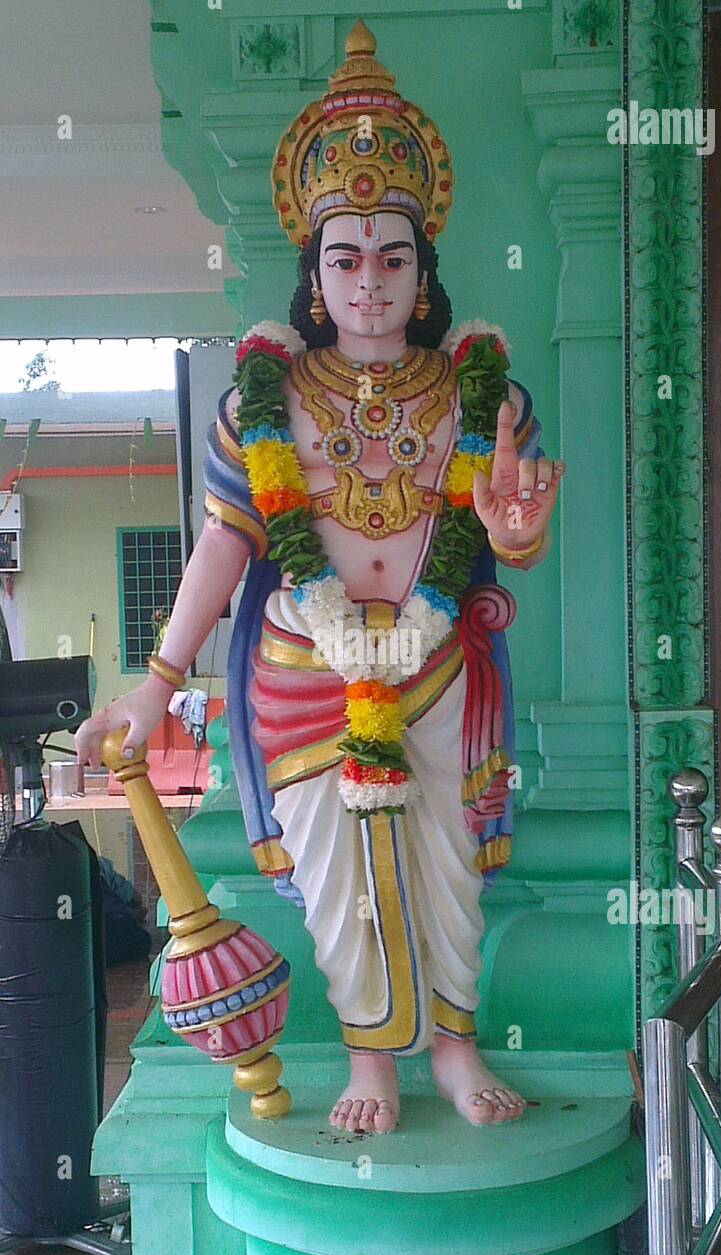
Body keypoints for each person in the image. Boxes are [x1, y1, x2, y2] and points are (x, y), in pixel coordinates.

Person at [76, 20, 563, 1136]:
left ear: (423, 270)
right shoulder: (269, 399)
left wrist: (519, 536)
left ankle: (451, 1048)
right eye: (345, 259)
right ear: (314, 275)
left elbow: (510, 537)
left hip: (439, 666)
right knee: (340, 883)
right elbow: (225, 547)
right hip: (302, 672)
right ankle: (371, 1059)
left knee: (448, 869)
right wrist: (155, 684)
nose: (370, 281)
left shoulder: (480, 395)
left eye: (394, 258)